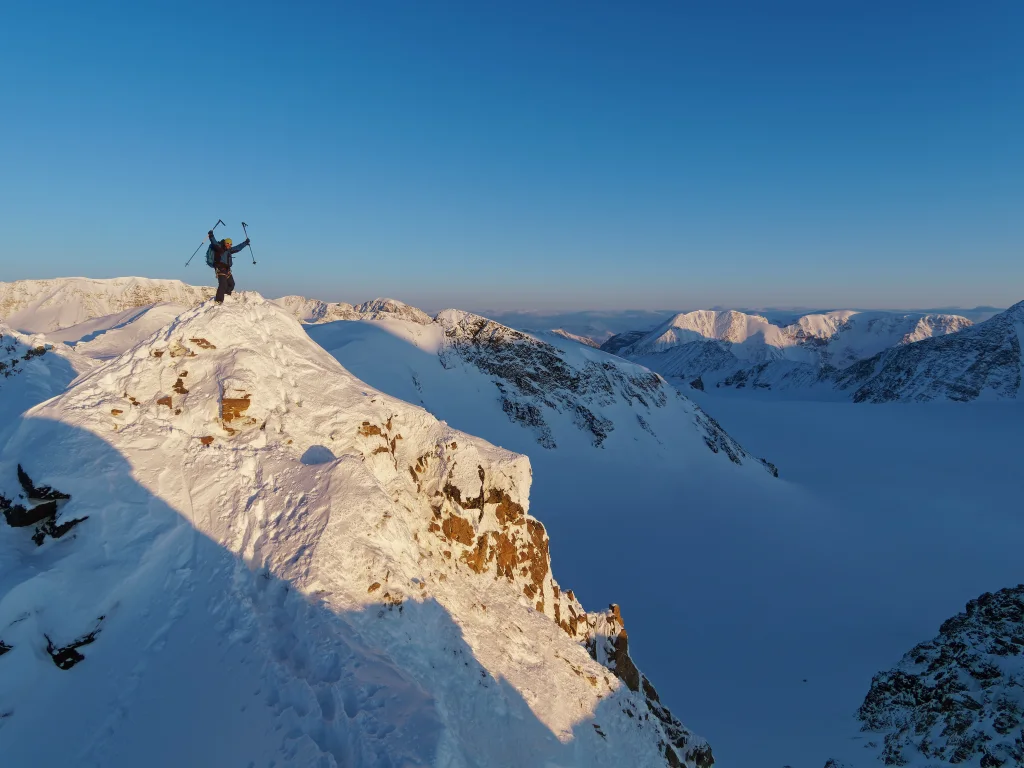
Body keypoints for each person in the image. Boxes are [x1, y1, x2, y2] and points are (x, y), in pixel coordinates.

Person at [207, 231, 250, 303]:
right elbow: (214, 242)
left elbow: (238, 248)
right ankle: (218, 301)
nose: (229, 245)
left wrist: (245, 243)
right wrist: (211, 235)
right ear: (224, 243)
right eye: (227, 243)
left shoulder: (229, 250)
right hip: (220, 268)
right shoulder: (219, 247)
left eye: (230, 244)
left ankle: (226, 296)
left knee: (231, 284)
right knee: (223, 284)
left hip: (227, 269)